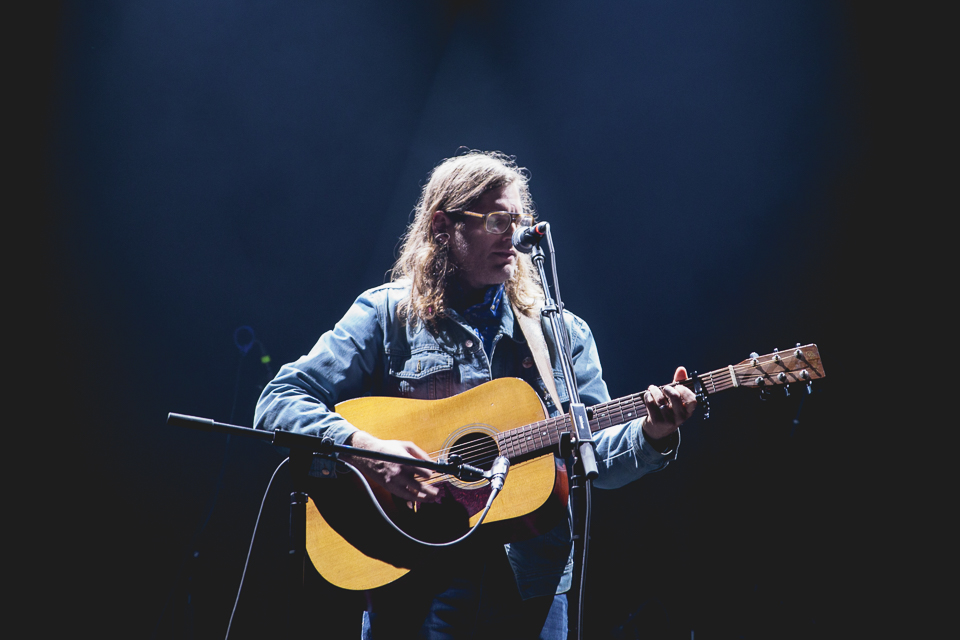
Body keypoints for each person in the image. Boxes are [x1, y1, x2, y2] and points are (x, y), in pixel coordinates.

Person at [254, 150, 697, 639]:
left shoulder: (560, 334)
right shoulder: (387, 317)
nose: (513, 235)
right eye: (495, 220)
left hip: (530, 586)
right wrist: (370, 453)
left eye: (519, 220)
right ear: (443, 226)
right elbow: (279, 400)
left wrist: (654, 433)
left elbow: (598, 460)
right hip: (411, 572)